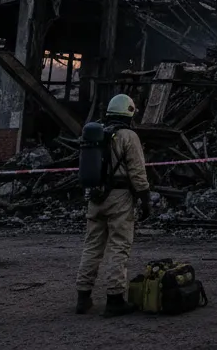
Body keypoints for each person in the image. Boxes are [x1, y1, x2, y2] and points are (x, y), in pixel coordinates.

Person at [75, 93, 152, 317]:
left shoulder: (97, 134)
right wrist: (145, 199)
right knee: (119, 245)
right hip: (119, 197)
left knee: (92, 247)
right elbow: (137, 172)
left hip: (95, 197)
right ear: (129, 113)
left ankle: (83, 297)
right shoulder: (128, 136)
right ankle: (115, 298)